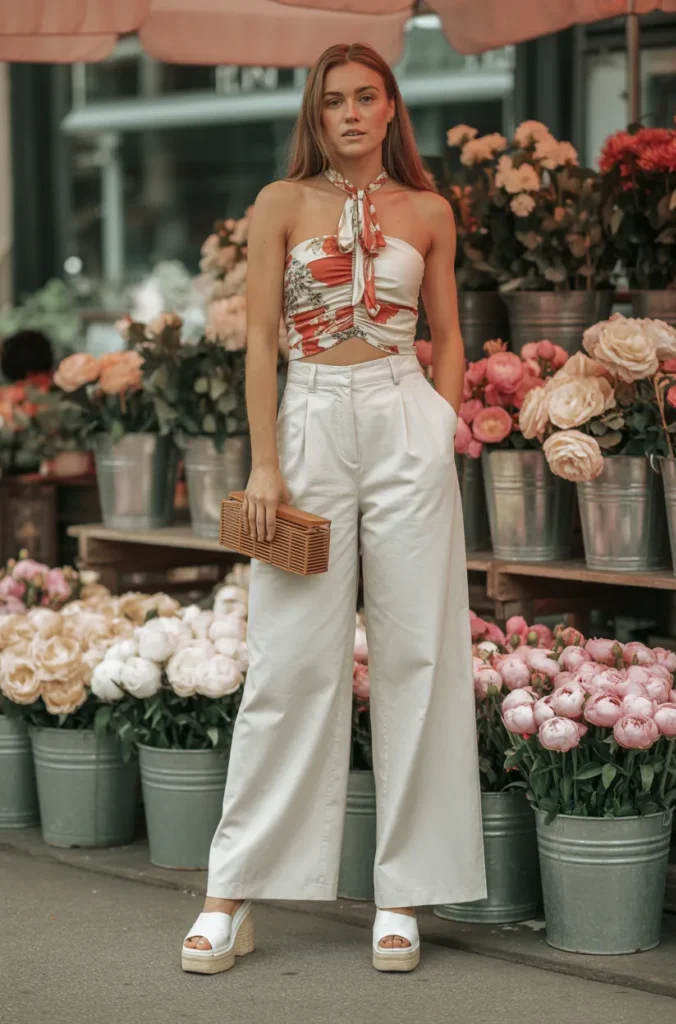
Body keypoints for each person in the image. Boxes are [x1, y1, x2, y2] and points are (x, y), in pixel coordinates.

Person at [182, 41, 486, 976]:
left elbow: (447, 332)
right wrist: (265, 465)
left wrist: (435, 423)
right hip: (309, 421)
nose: (350, 114)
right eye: (332, 102)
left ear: (391, 108)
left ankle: (402, 892)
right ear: (314, 117)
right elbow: (260, 342)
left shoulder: (430, 212)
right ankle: (230, 892)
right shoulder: (280, 204)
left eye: (366, 98)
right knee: (289, 656)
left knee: (418, 653)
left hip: (403, 426)